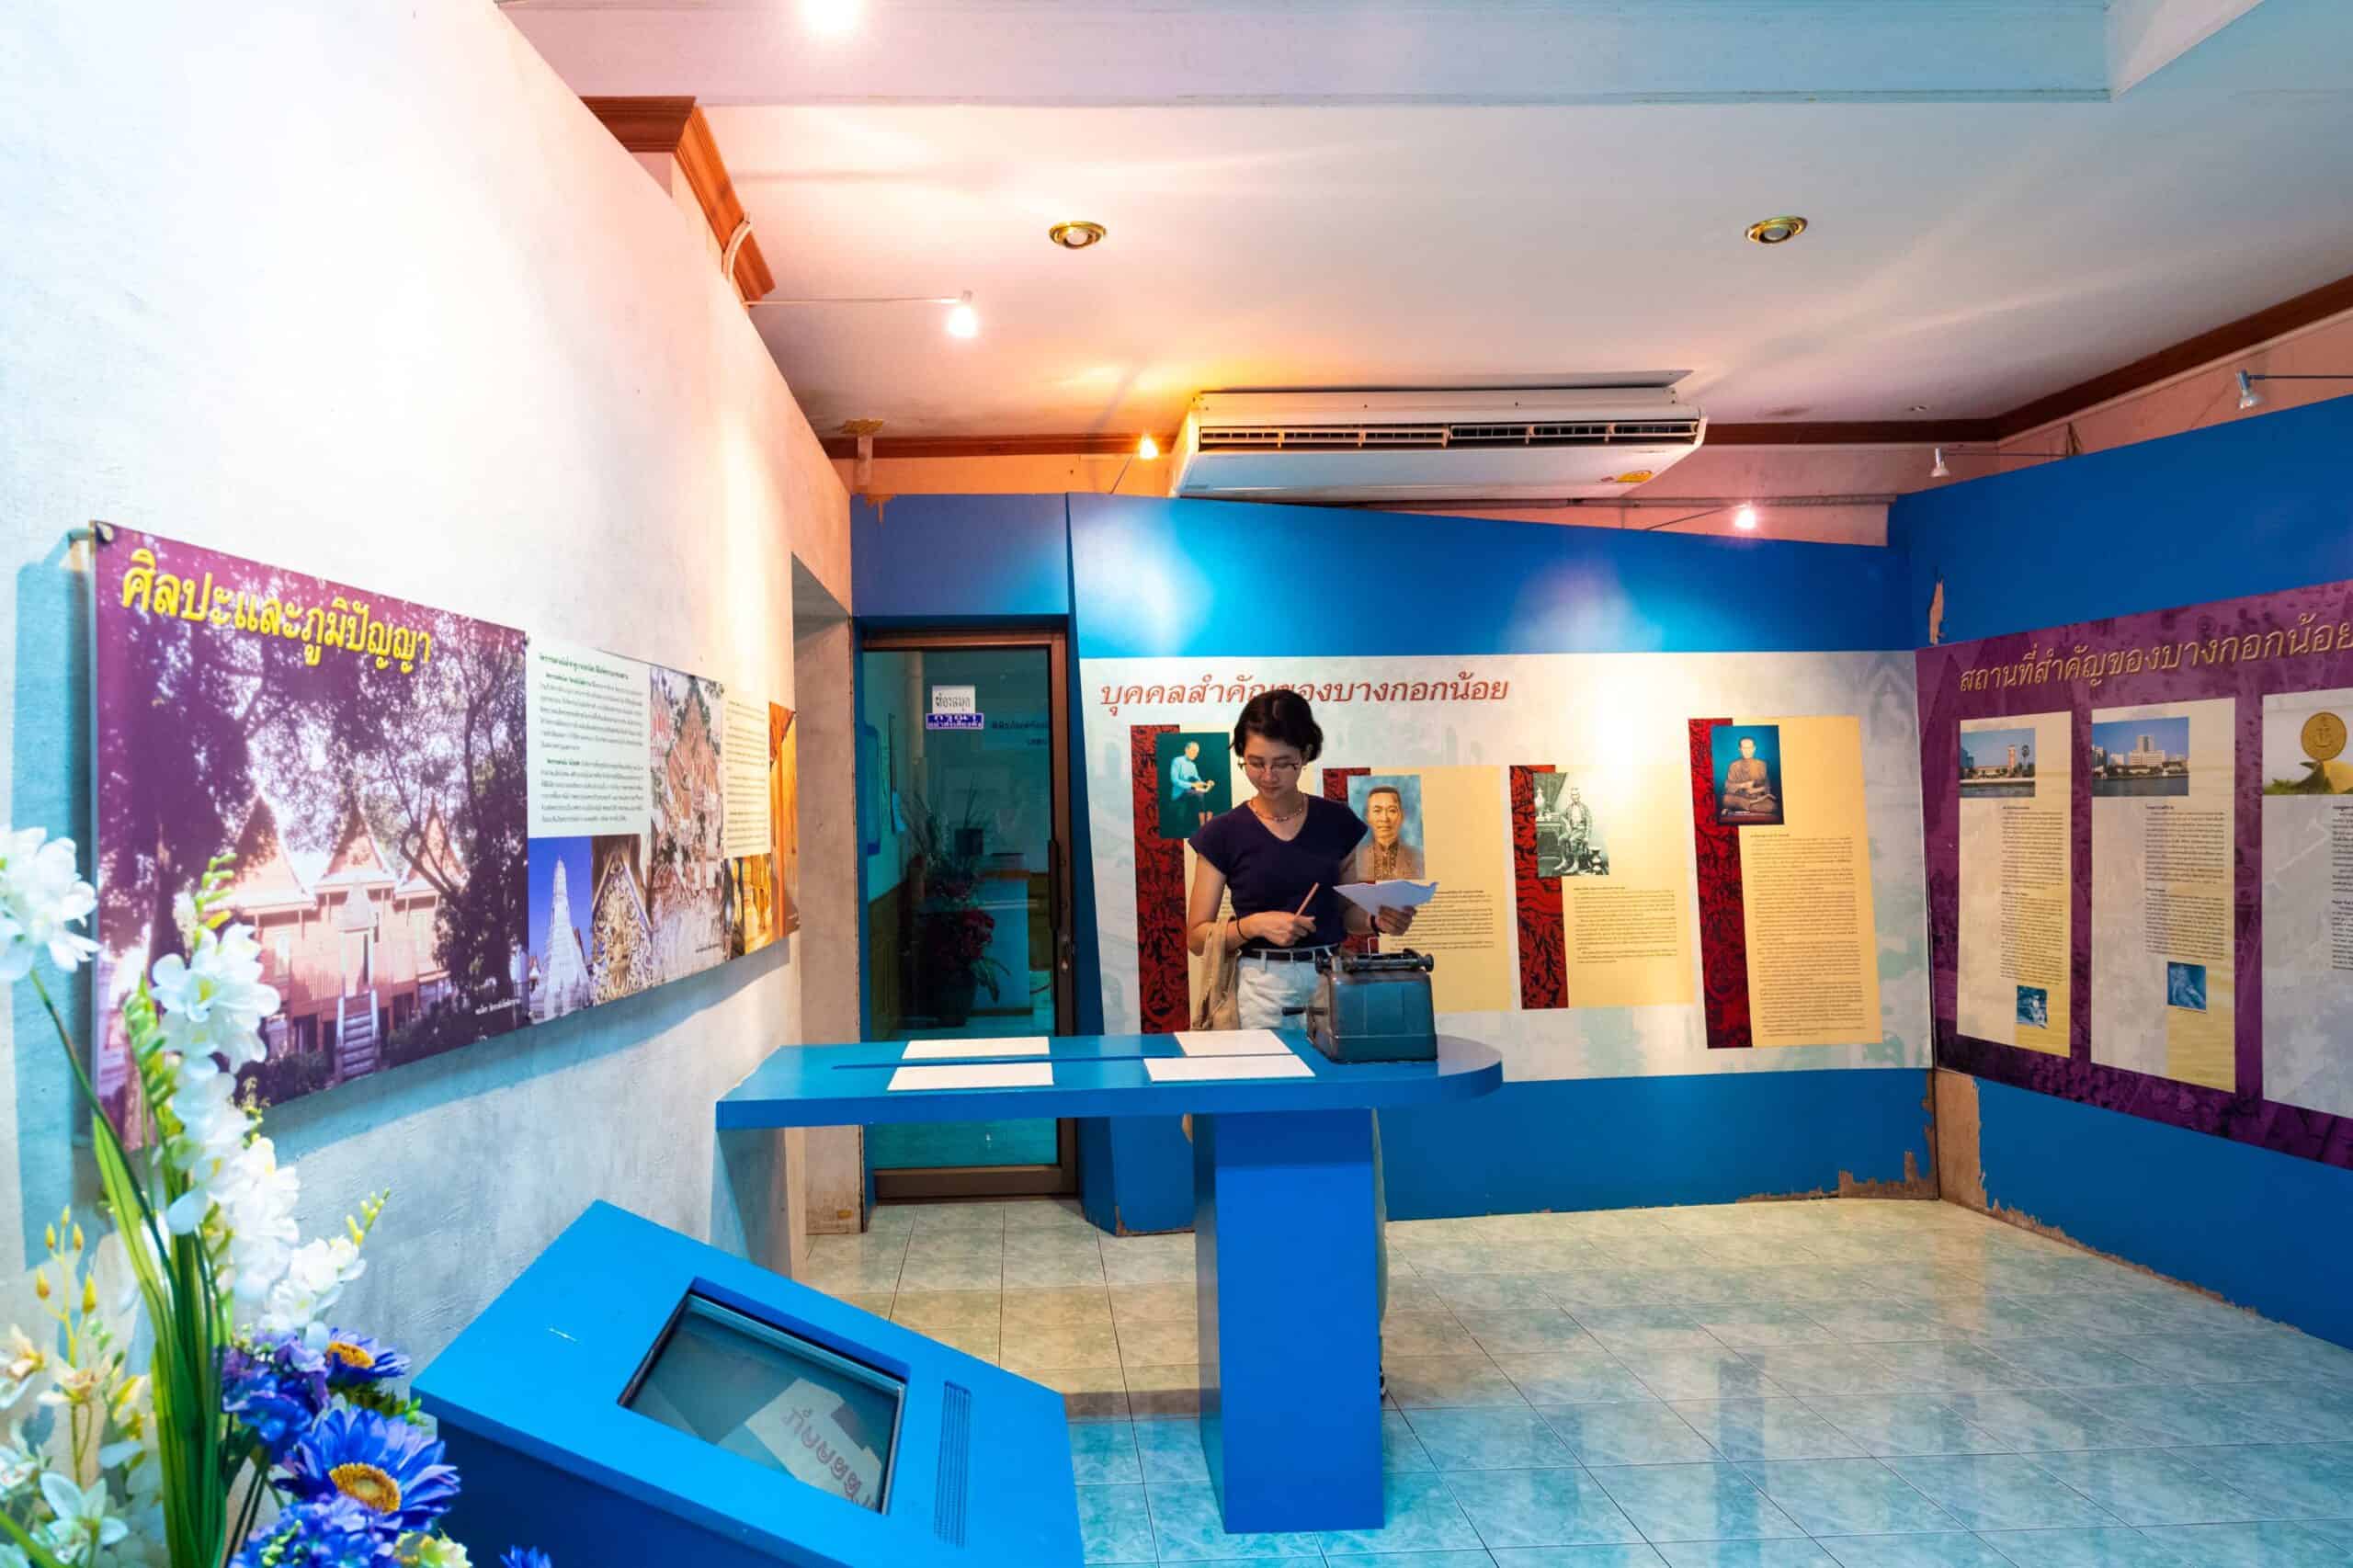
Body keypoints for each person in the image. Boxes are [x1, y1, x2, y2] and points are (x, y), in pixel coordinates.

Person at [1183, 690, 1414, 1345]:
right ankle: (1262, 1324)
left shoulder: (1338, 824)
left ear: (1307, 755)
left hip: (1328, 988)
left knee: (1347, 1152)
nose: (1267, 776)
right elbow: (1197, 934)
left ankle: (1356, 1337)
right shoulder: (1224, 834)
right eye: (1254, 763)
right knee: (1256, 1150)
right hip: (1254, 994)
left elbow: (1352, 914)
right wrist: (1252, 924)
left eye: (1282, 763)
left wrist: (1382, 919)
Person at [1351, 784, 1424, 881]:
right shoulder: (1356, 858)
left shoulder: (1418, 858)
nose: (1384, 818)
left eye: (1392, 811)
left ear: (1402, 816)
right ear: (1368, 817)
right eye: (1377, 811)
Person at [1721, 733, 1779, 819]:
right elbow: (1728, 787)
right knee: (1725, 799)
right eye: (1744, 748)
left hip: (1758, 799)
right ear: (1740, 749)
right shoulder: (1734, 765)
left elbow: (1767, 786)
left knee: (1773, 806)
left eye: (1749, 748)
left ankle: (1743, 807)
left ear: (1754, 748)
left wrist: (1756, 790)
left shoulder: (1762, 764)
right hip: (1740, 798)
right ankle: (1749, 805)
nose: (1747, 751)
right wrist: (1743, 785)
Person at [1166, 738, 1217, 832]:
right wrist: (1192, 785)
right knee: (1199, 794)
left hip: (1192, 791)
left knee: (1211, 793)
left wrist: (1207, 783)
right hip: (1180, 792)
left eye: (1197, 752)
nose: (1195, 754)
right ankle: (1203, 826)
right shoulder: (1177, 761)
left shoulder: (1193, 765)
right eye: (1193, 751)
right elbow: (1174, 780)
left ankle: (1209, 824)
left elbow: (1198, 781)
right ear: (1186, 750)